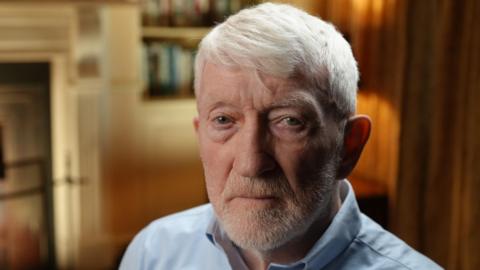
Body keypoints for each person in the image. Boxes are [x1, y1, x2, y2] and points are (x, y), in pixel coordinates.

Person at [120, 3, 442, 270]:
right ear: (200, 136)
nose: (251, 163)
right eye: (223, 120)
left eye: (289, 121)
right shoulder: (152, 253)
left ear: (349, 145)